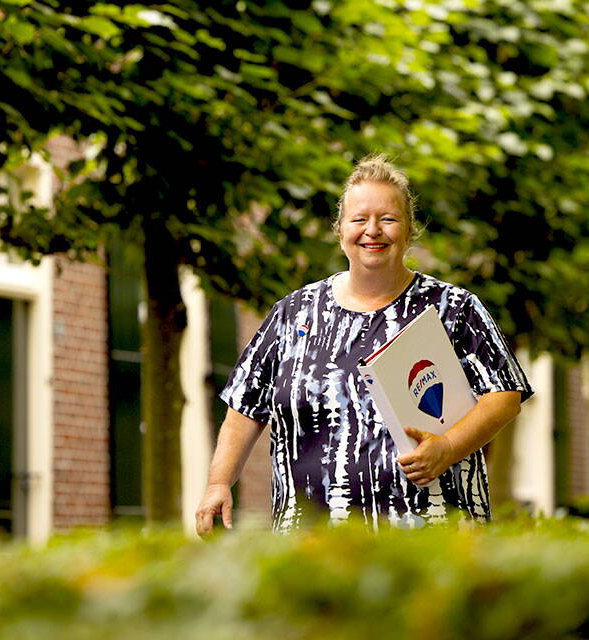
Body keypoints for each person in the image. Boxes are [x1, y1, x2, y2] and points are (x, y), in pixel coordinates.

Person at [196, 154, 533, 535]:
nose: (372, 230)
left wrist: (449, 448)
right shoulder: (294, 313)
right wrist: (219, 483)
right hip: (311, 541)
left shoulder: (454, 309)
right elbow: (245, 405)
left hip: (433, 539)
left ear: (409, 231)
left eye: (388, 219)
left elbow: (504, 396)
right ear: (340, 231)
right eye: (359, 220)